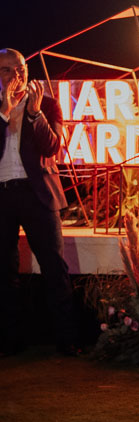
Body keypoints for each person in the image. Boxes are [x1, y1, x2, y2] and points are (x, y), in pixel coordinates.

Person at [0, 48, 79, 356]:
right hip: (2, 195)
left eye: (19, 69)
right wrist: (4, 115)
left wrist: (34, 114)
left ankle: (67, 339)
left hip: (38, 195)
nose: (15, 76)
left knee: (54, 269)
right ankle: (10, 341)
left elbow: (53, 147)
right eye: (6, 70)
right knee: (4, 272)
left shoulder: (46, 104)